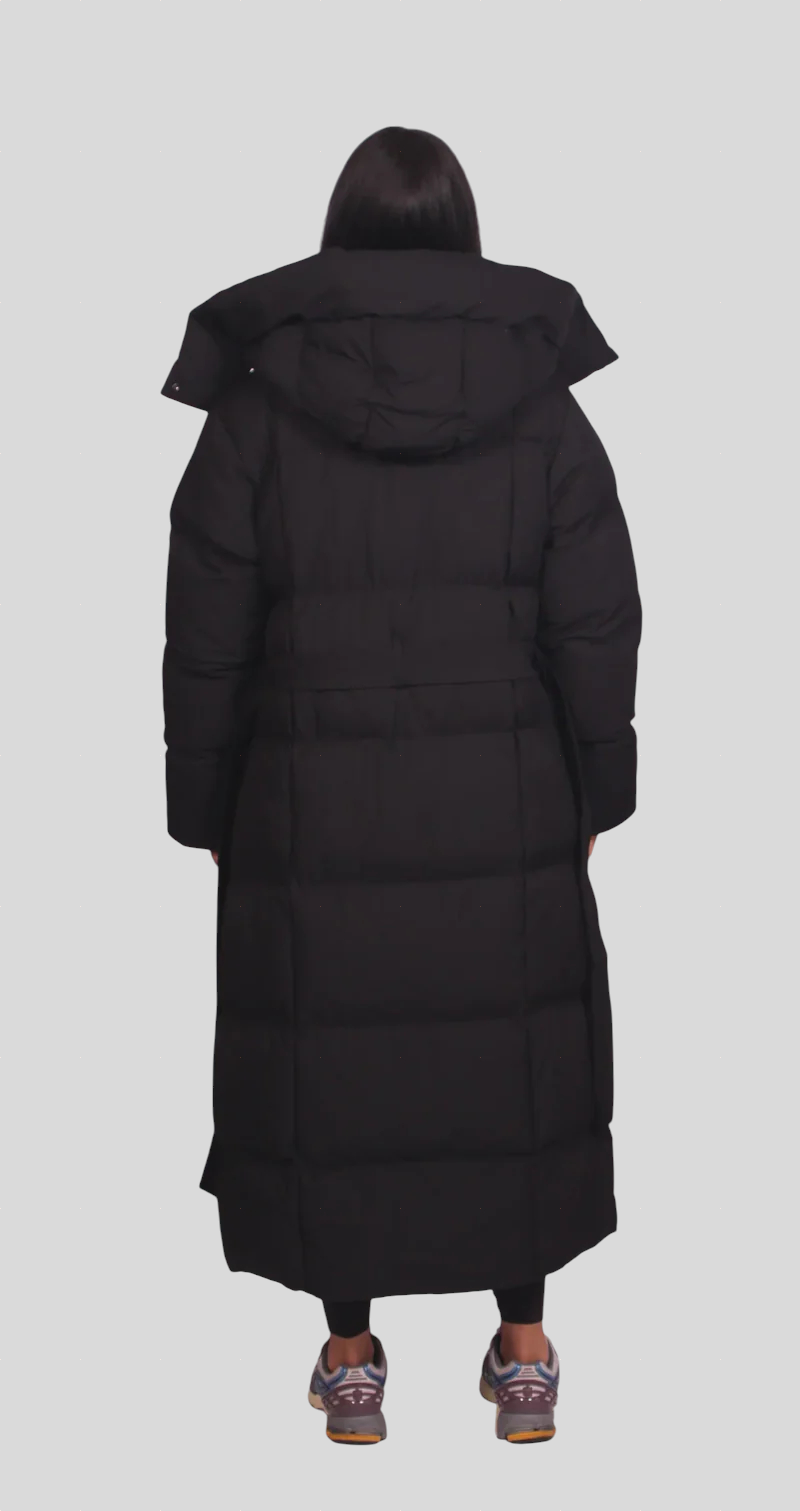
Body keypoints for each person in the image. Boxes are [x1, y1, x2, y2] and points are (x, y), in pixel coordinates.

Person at [161, 125, 641, 1446]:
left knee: (336, 1063)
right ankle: (525, 1350)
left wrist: (206, 807)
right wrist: (597, 790)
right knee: (508, 1061)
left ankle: (352, 1359)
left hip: (305, 805)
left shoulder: (258, 411)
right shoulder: (541, 409)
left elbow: (206, 628)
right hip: (506, 792)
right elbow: (595, 619)